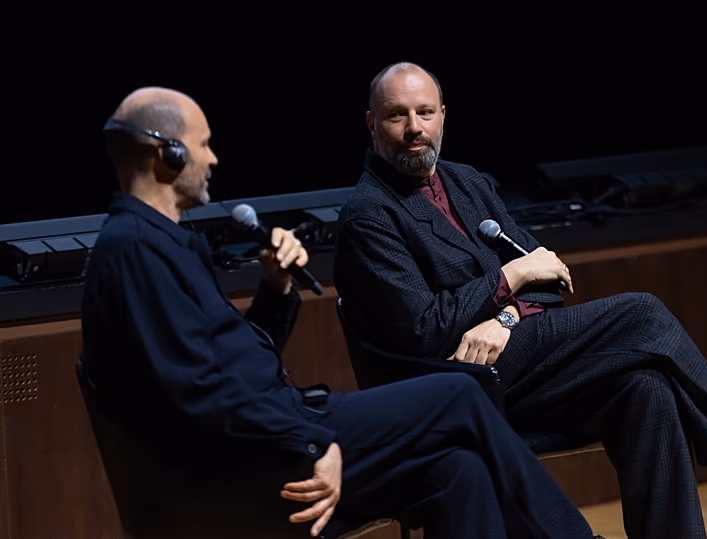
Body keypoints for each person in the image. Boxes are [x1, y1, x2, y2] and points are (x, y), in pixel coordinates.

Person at [79, 86, 605, 539]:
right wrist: (312, 444)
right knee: (460, 391)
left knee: (458, 468)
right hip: (251, 463)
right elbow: (196, 394)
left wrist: (276, 288)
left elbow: (234, 362)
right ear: (166, 154)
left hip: (273, 430)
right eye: (203, 145)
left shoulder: (164, 244)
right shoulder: (132, 252)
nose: (213, 159)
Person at [333, 62, 707, 539]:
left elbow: (550, 277)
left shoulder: (468, 182)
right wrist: (511, 275)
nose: (414, 128)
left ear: (443, 116)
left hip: (509, 361)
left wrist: (506, 315)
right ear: (372, 123)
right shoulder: (368, 215)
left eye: (424, 112)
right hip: (452, 383)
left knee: (646, 387)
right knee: (642, 313)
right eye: (397, 115)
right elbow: (425, 329)